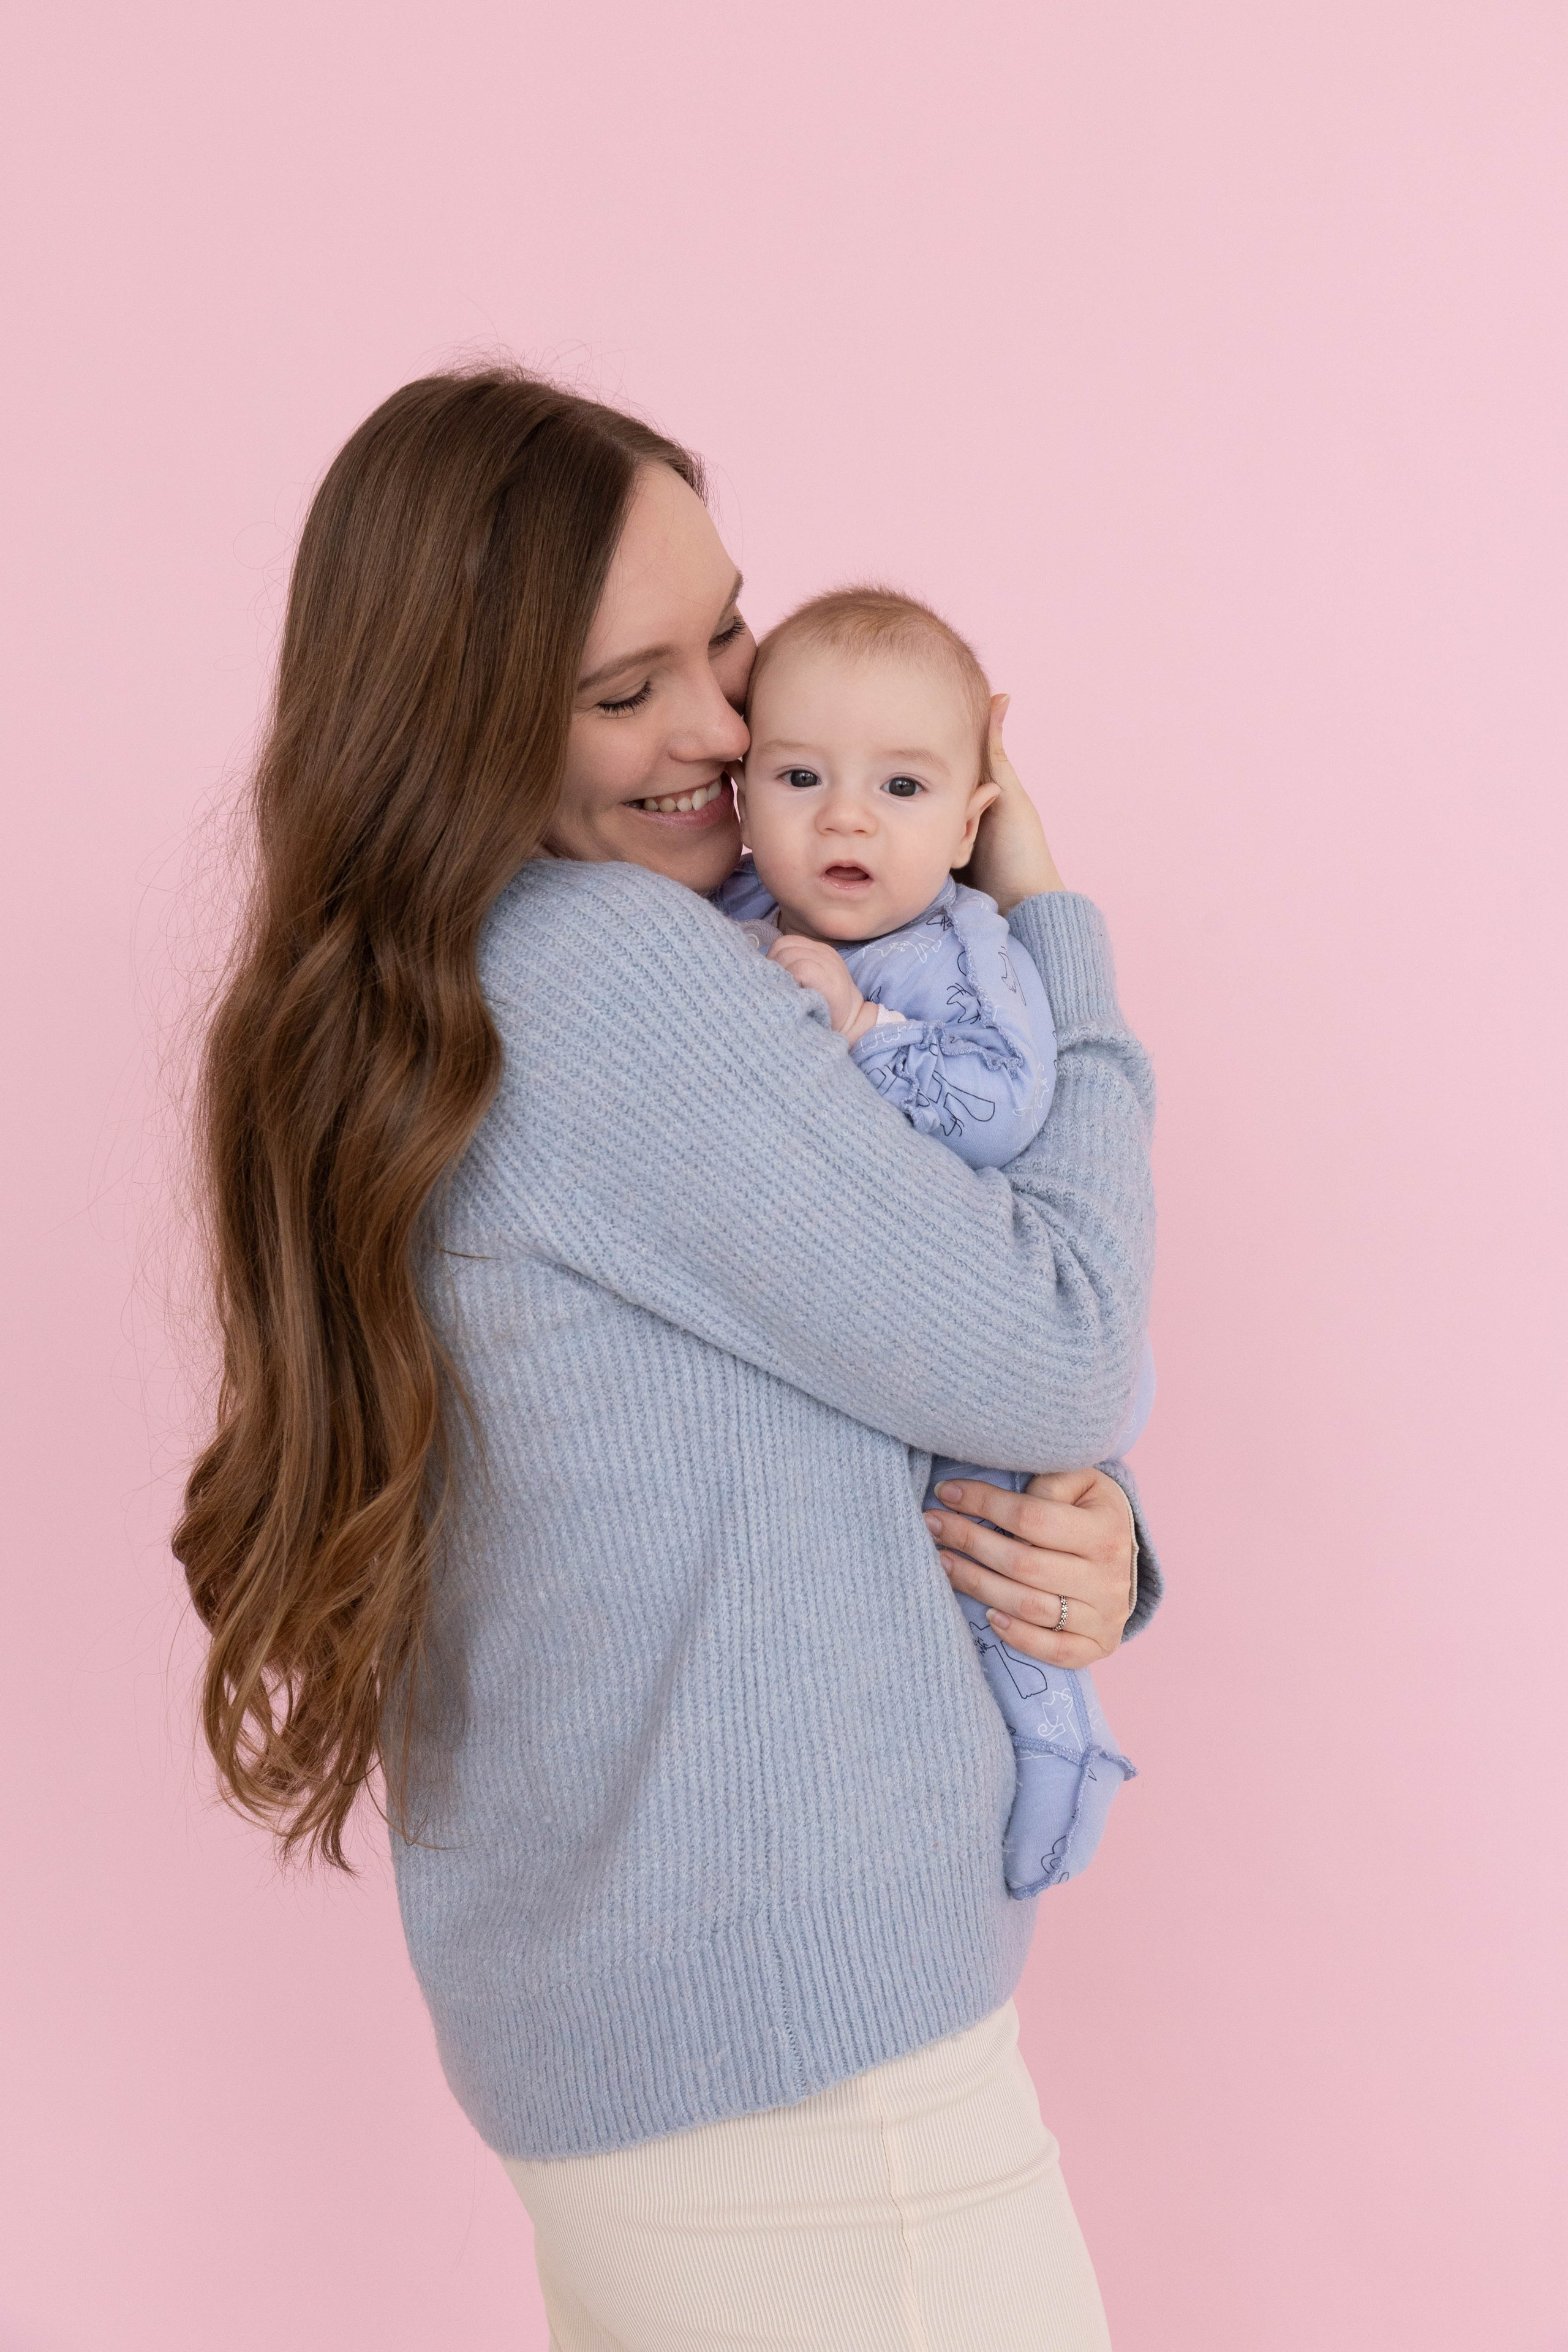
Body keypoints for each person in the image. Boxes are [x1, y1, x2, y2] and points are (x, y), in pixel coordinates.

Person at [176, 364, 1158, 2351]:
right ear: (461, 725)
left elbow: (744, 1434)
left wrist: (1093, 1558)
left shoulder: (447, 1002)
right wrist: (1055, 939)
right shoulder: (600, 979)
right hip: (813, 2078)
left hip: (648, 2062)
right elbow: (1057, 1346)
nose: (733, 722)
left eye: (725, 631)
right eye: (629, 693)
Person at [719, 584, 1145, 1899]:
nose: (843, 817)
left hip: (998, 1358)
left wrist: (850, 1032)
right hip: (912, 1345)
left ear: (972, 815)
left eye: (902, 788)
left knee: (1008, 1581)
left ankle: (1061, 1767)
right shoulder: (726, 921)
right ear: (742, 794)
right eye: (798, 775)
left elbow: (999, 1100)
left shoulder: (956, 948)